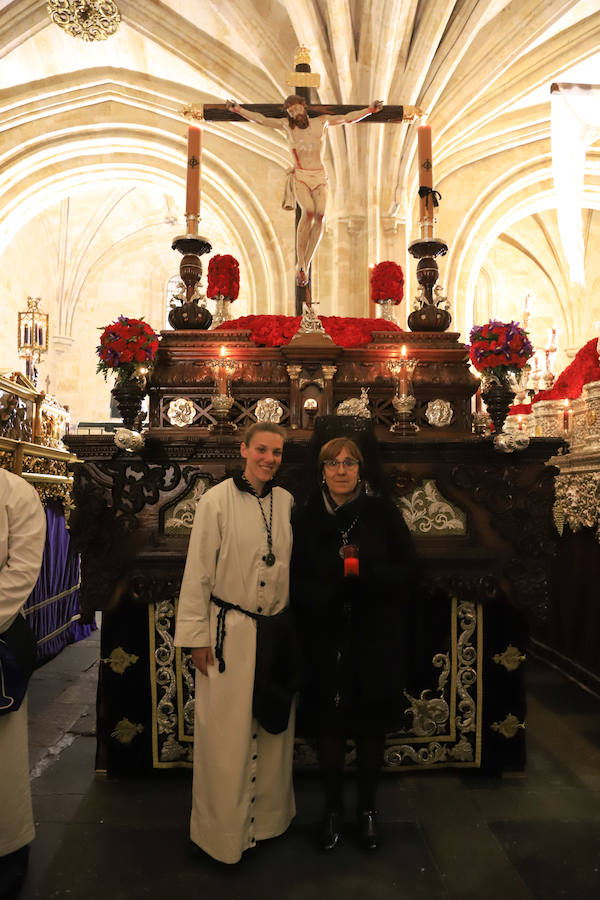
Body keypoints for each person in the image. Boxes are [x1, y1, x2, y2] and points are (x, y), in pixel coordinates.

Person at [174, 422, 296, 865]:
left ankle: (267, 821)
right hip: (229, 635)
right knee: (225, 736)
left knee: (272, 730)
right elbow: (198, 572)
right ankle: (220, 832)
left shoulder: (285, 502)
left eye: (277, 452)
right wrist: (195, 638)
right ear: (244, 450)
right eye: (262, 450)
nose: (269, 459)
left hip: (274, 633)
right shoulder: (216, 501)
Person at [290, 436, 417, 852]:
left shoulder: (381, 512)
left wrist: (365, 573)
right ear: (321, 470)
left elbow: (408, 570)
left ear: (361, 468)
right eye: (332, 464)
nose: (341, 471)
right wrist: (328, 585)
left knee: (368, 727)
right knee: (328, 725)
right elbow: (293, 577)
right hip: (323, 636)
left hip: (373, 634)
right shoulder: (307, 516)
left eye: (349, 463)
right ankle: (330, 809)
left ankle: (366, 810)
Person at [226, 95, 383, 286]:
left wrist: (369, 110)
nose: (294, 114)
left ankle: (306, 264)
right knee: (308, 211)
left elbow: (347, 118)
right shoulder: (286, 125)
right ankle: (300, 262)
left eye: (296, 109)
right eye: (290, 112)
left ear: (303, 107)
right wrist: (238, 109)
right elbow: (261, 119)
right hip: (300, 175)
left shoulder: (322, 122)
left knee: (321, 215)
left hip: (319, 176)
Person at [0, 469, 46, 898]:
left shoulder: (16, 493)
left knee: (3, 761)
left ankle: (8, 849)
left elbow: (22, 571)